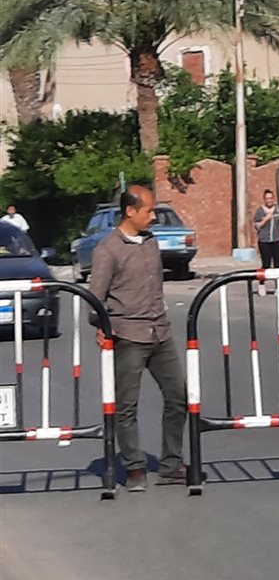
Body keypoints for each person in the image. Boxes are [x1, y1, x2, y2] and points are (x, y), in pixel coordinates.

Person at [89, 186, 189, 491]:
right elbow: (94, 300)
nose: (153, 216)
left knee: (178, 397)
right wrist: (103, 327)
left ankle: (171, 464)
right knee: (126, 406)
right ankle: (134, 468)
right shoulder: (107, 249)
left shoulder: (150, 241)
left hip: (160, 332)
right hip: (128, 336)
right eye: (148, 210)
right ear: (130, 211)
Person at [252, 188, 279, 296]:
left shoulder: (278, 210)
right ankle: (262, 284)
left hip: (278, 239)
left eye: (271, 198)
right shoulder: (260, 211)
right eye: (267, 198)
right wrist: (266, 218)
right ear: (264, 199)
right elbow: (257, 226)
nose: (269, 200)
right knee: (266, 264)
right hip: (265, 240)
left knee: (278, 264)